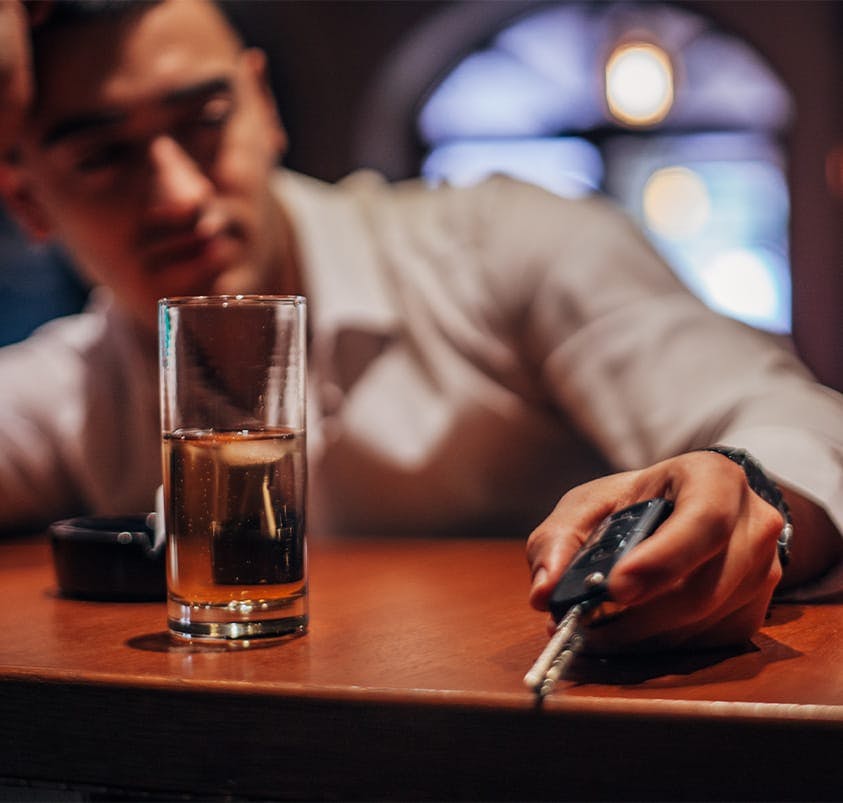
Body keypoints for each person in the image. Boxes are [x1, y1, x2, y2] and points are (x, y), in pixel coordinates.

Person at [0, 0, 841, 654]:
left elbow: (791, 416)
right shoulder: (75, 380)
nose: (179, 193)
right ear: (27, 196)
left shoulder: (507, 243)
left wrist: (750, 494)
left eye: (205, 118)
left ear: (262, 104)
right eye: (102, 156)